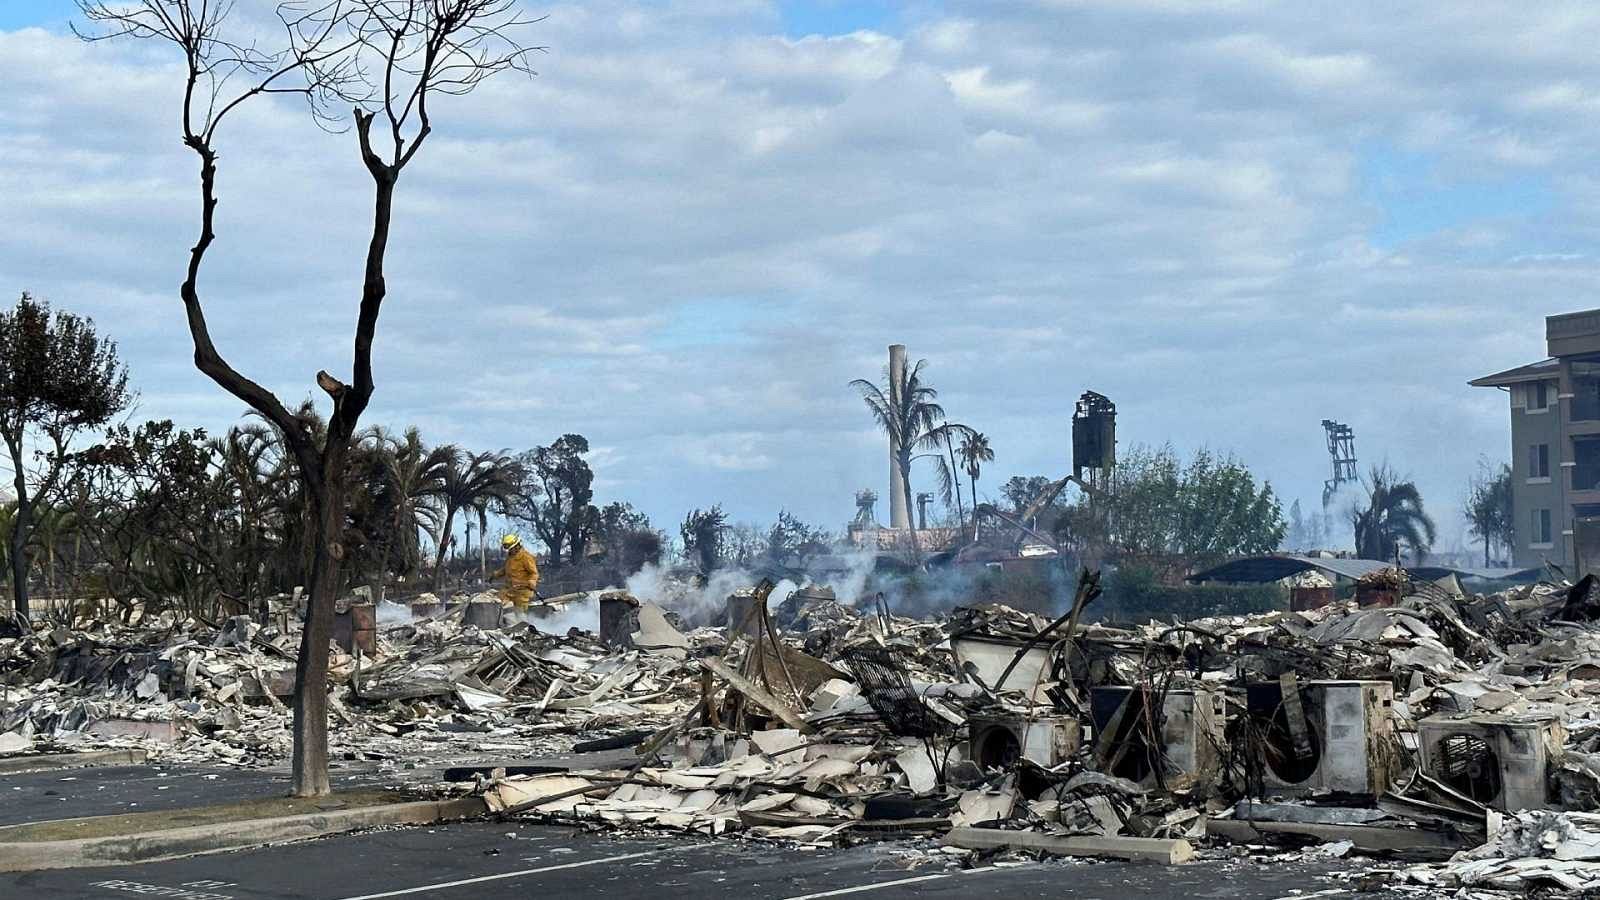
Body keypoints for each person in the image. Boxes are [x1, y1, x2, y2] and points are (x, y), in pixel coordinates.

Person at [492, 534, 540, 613]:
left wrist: (532, 581)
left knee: (520, 614)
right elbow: (506, 569)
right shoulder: (511, 557)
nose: (509, 550)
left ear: (517, 546)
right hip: (510, 589)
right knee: (499, 604)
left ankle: (523, 624)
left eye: (510, 548)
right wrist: (496, 575)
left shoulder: (526, 557)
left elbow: (534, 573)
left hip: (522, 592)